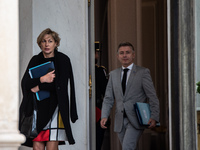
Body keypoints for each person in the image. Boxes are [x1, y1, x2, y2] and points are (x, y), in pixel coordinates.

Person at [19, 28, 78, 150]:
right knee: (37, 147)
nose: (47, 44)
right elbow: (25, 83)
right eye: (44, 41)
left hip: (56, 108)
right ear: (40, 43)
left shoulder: (63, 60)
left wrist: (38, 86)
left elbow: (60, 85)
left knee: (51, 147)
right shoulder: (35, 60)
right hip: (38, 109)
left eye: (50, 41)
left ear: (56, 43)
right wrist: (42, 79)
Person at [100, 42, 160, 150]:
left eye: (127, 52)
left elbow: (152, 96)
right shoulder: (113, 75)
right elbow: (108, 98)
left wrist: (154, 116)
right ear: (118, 56)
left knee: (127, 148)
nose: (124, 55)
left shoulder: (143, 72)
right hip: (119, 121)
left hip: (136, 119)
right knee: (128, 147)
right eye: (122, 53)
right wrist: (104, 115)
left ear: (133, 55)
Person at [95, 49, 108, 150]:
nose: (96, 55)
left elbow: (106, 93)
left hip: (98, 109)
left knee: (97, 142)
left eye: (97, 53)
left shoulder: (100, 70)